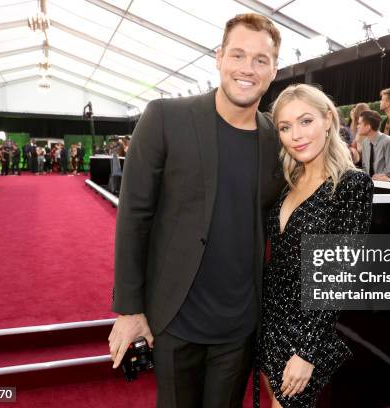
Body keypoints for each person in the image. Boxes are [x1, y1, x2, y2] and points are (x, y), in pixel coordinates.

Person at [109, 14, 285, 408]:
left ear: (274, 70)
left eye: (261, 60)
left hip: (240, 325)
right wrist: (129, 308)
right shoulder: (165, 118)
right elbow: (134, 215)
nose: (247, 68)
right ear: (219, 57)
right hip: (174, 320)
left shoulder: (278, 138)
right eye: (238, 55)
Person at [260, 83, 373, 408]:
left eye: (305, 121)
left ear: (327, 120)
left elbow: (337, 277)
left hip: (306, 328)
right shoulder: (286, 183)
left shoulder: (351, 185)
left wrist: (306, 352)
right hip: (269, 319)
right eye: (285, 126)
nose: (296, 134)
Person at [359, 110, 390, 176]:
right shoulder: (365, 143)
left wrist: (380, 177)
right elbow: (365, 168)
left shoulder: (388, 142)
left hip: (386, 184)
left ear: (368, 127)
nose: (358, 126)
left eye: (359, 124)